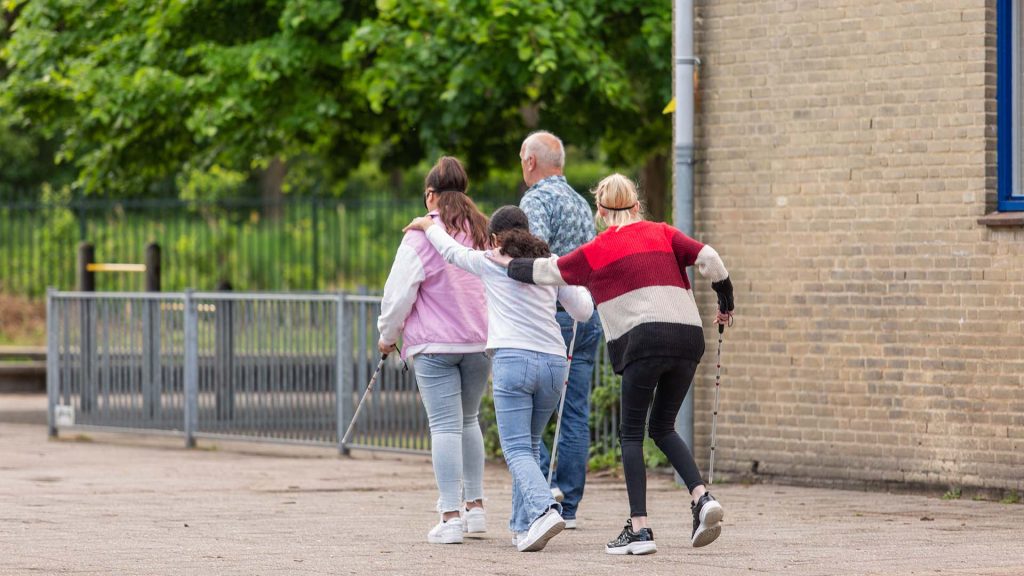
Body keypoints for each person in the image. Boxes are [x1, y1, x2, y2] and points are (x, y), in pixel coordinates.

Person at [488, 173, 736, 555]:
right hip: (688, 338)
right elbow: (710, 258)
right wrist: (725, 302)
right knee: (663, 426)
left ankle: (640, 529)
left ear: (600, 211)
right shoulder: (665, 233)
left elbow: (545, 272)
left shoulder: (597, 249)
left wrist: (504, 264)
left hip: (643, 341)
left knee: (631, 434)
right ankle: (702, 497)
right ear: (637, 206)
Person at [404, 205, 594, 552]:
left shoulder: (490, 260)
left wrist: (427, 224)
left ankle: (545, 508)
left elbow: (450, 251)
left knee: (517, 449)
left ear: (494, 237)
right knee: (531, 445)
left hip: (514, 360)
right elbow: (583, 309)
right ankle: (523, 528)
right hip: (553, 363)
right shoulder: (548, 263)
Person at [377, 156, 491, 545]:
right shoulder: (483, 230)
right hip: (478, 341)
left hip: (435, 345)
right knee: (469, 420)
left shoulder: (420, 235)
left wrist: (387, 335)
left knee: (443, 426)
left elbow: (399, 294)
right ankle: (475, 508)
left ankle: (449, 515)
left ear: (430, 195)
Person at [517, 130, 603, 529]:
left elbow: (533, 256)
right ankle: (568, 503)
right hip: (589, 315)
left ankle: (547, 498)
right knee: (575, 412)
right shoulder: (580, 203)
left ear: (530, 161)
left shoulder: (536, 200)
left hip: (555, 317)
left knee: (530, 414)